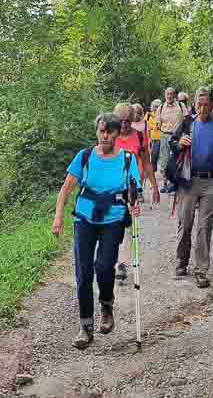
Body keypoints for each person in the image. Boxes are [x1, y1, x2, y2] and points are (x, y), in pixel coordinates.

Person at [52, 113, 143, 349]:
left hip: (113, 219)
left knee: (103, 266)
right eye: (102, 131)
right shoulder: (84, 157)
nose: (105, 136)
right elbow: (65, 189)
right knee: (83, 271)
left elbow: (135, 191)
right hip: (84, 218)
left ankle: (106, 304)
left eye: (110, 132)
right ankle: (85, 326)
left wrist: (134, 204)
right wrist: (58, 216)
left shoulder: (126, 159)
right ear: (97, 132)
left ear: (116, 134)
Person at [169, 88, 213, 288]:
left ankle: (201, 270)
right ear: (195, 104)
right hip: (188, 180)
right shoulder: (187, 123)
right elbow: (171, 142)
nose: (202, 107)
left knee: (204, 228)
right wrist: (178, 143)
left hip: (210, 182)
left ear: (212, 105)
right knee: (185, 225)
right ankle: (181, 262)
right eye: (198, 103)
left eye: (206, 104)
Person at [113, 103, 161, 281]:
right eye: (121, 121)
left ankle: (122, 264)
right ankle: (113, 257)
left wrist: (155, 187)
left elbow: (147, 163)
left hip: (132, 189)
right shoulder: (110, 135)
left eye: (127, 121)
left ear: (132, 120)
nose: (124, 125)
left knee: (129, 227)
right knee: (114, 225)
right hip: (112, 189)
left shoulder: (139, 137)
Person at [157, 88, 188, 193]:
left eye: (171, 94)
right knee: (164, 160)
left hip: (177, 137)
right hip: (165, 136)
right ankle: (165, 183)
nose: (169, 96)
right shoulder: (161, 107)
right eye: (167, 94)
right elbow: (158, 123)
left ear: (174, 95)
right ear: (165, 95)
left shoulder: (181, 106)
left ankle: (175, 183)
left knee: (176, 160)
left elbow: (187, 119)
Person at [147, 99, 163, 174]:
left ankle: (163, 174)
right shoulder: (148, 115)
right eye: (154, 106)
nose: (155, 108)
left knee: (162, 157)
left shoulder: (162, 115)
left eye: (157, 106)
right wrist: (148, 138)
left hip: (161, 138)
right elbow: (145, 127)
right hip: (152, 139)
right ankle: (153, 172)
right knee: (153, 157)